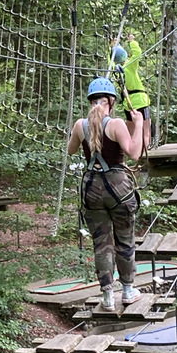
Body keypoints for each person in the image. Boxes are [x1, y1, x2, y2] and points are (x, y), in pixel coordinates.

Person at [68, 77, 144, 312]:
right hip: (118, 188)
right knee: (124, 239)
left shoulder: (80, 125)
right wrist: (139, 124)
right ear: (111, 101)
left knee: (101, 243)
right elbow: (134, 153)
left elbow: (71, 150)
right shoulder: (116, 124)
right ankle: (128, 291)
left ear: (91, 101)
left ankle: (108, 296)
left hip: (91, 188)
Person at [111, 33, 151, 151]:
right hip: (141, 102)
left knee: (130, 132)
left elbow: (110, 60)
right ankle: (145, 154)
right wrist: (132, 41)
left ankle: (129, 151)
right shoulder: (129, 66)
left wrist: (112, 47)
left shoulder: (115, 70)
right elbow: (138, 53)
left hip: (128, 105)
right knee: (146, 131)